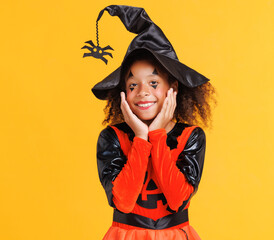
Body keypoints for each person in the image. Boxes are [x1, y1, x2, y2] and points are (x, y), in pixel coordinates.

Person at [82, 5, 216, 240]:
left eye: (153, 83)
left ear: (172, 89)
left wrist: (157, 135)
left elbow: (178, 199)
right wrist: (141, 139)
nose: (142, 92)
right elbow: (122, 201)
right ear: (123, 92)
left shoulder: (191, 136)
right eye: (133, 85)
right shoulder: (112, 137)